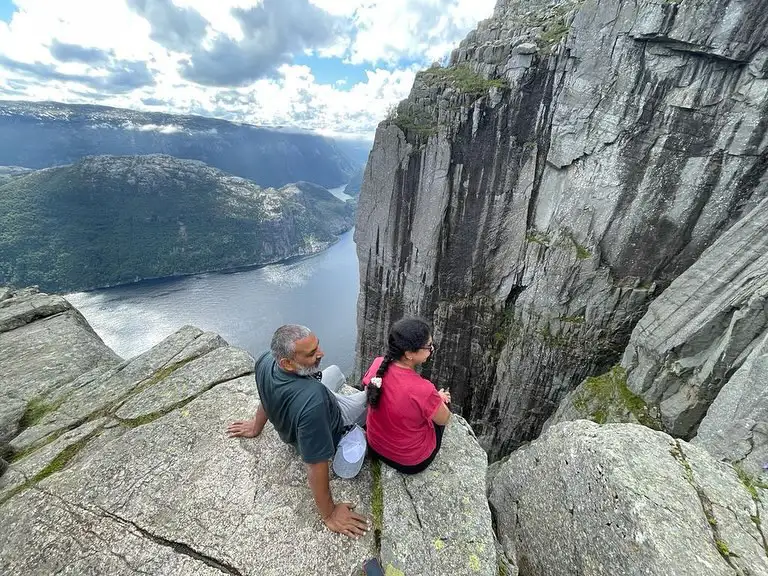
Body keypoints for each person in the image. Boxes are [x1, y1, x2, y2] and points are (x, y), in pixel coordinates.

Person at [227, 324, 370, 538]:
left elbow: (266, 395)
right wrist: (329, 514)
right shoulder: (313, 402)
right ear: (287, 363)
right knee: (375, 394)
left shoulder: (265, 361)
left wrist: (256, 425)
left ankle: (341, 384)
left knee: (334, 371)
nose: (321, 353)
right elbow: (315, 463)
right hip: (336, 419)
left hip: (316, 399)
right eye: (311, 353)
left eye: (317, 346)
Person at [362, 317, 451, 474]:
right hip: (409, 461)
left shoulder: (378, 364)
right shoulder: (424, 390)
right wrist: (438, 399)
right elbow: (444, 419)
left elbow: (372, 389)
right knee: (446, 405)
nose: (432, 349)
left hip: (375, 445)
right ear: (409, 354)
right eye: (429, 346)